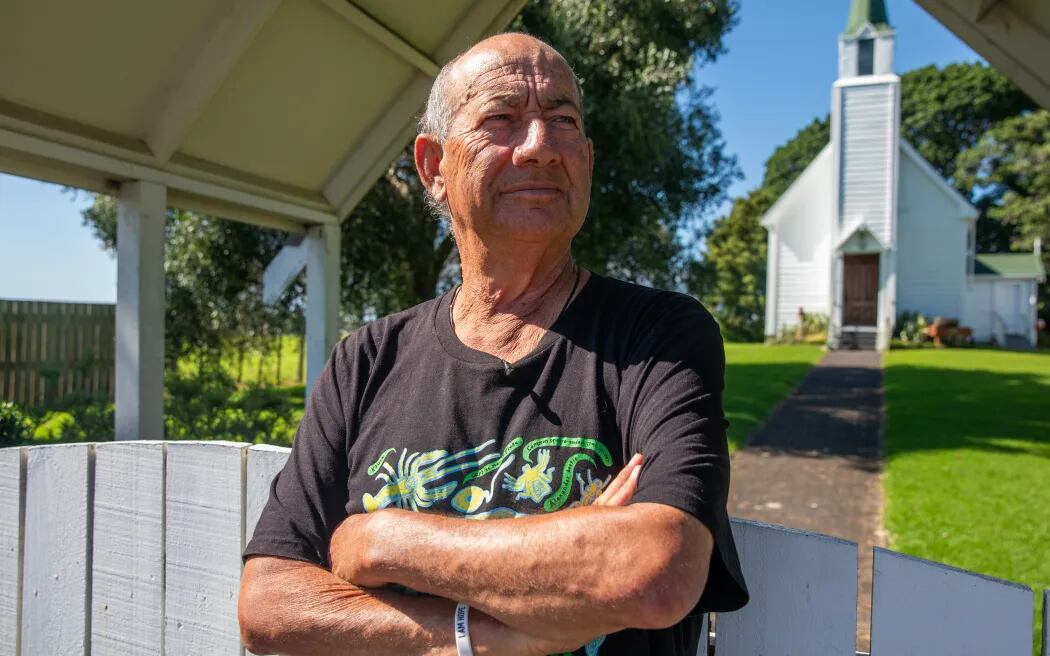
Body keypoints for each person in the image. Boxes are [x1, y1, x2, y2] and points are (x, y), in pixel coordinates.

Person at [238, 32, 747, 656]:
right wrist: (487, 633)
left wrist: (383, 539)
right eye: (502, 119)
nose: (540, 147)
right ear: (434, 168)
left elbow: (654, 571)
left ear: (587, 158)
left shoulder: (657, 337)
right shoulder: (366, 361)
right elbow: (269, 604)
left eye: (563, 121)